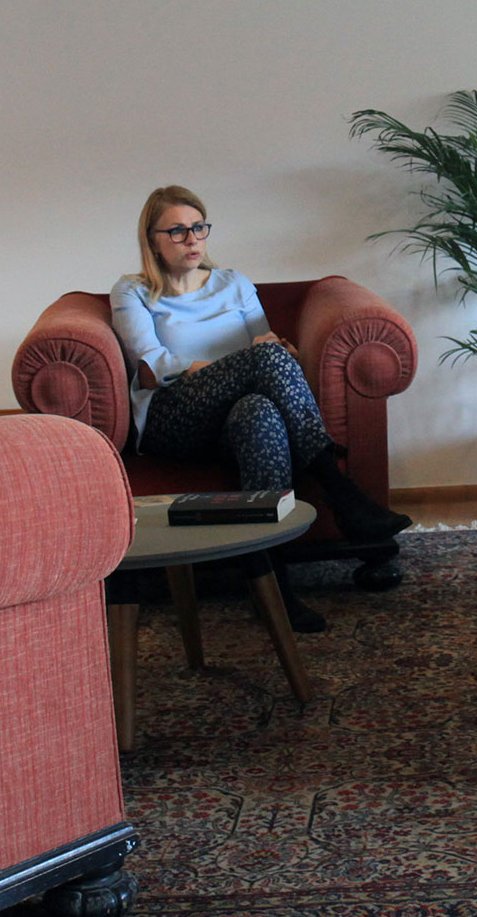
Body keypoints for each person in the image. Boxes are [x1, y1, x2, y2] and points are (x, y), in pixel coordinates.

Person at [110, 186, 410, 631]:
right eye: (176, 231)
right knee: (261, 363)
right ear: (152, 240)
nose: (192, 239)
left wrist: (278, 352)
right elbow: (153, 367)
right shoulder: (133, 291)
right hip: (172, 416)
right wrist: (234, 365)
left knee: (259, 413)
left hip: (234, 417)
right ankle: (338, 488)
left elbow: (263, 342)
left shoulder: (234, 284)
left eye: (198, 227)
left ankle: (272, 587)